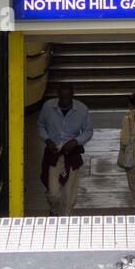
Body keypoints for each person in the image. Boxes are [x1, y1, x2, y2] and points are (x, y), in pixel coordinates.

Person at [38, 83, 92, 216]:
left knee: (69, 194)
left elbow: (88, 131)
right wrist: (47, 139)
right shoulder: (48, 107)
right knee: (53, 193)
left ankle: (66, 218)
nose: (65, 101)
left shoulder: (82, 109)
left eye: (68, 98)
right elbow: (41, 125)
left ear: (72, 96)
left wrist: (76, 141)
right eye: (62, 98)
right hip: (53, 153)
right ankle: (54, 211)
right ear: (58, 96)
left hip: (71, 154)